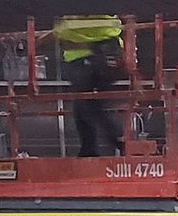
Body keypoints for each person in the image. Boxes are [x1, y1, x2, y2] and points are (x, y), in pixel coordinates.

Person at [50, 14, 129, 158]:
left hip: (84, 61)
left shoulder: (74, 13)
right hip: (109, 55)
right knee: (85, 104)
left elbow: (62, 31)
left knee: (87, 104)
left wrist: (58, 30)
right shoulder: (106, 11)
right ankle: (93, 148)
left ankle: (117, 142)